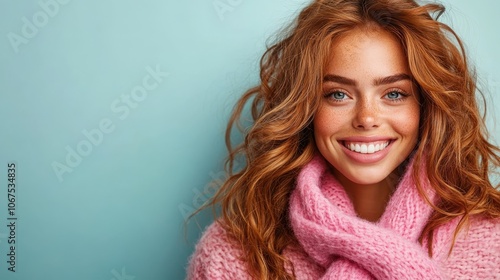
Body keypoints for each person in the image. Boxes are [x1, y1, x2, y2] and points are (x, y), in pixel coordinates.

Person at [187, 0, 500, 279]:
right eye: (338, 94)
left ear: (426, 107)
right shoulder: (234, 253)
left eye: (393, 94)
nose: (366, 117)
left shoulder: (492, 241)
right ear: (306, 108)